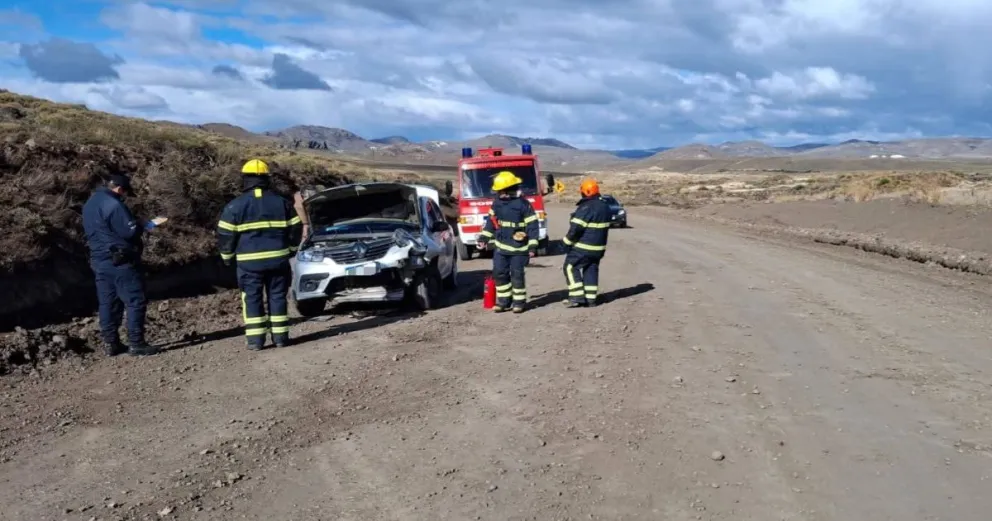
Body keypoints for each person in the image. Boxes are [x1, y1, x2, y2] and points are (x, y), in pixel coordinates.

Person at [217, 159, 303, 350]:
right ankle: (280, 338)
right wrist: (290, 250)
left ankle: (256, 341)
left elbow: (225, 235)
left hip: (249, 264)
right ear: (266, 178)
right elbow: (296, 228)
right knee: (278, 296)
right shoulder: (282, 203)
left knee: (252, 298)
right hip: (278, 260)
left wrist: (227, 256)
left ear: (245, 179)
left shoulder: (235, 206)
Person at [81, 174, 167, 356]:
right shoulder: (114, 205)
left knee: (107, 302)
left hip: (99, 259)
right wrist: (143, 225)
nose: (124, 196)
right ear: (119, 189)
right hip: (120, 260)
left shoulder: (90, 203)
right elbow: (129, 232)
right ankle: (136, 343)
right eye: (125, 192)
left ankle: (111, 343)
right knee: (135, 300)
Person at [477, 171, 539, 313]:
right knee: (499, 273)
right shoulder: (497, 203)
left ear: (507, 189)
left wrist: (533, 246)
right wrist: (484, 238)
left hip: (519, 249)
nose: (498, 193)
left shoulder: (523, 204)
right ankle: (504, 302)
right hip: (501, 248)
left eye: (499, 190)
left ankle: (519, 303)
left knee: (517, 275)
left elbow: (532, 226)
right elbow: (490, 223)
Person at [561, 178, 611, 308]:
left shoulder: (586, 207)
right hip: (599, 249)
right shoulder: (604, 206)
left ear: (585, 192)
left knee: (570, 267)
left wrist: (566, 242)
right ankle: (591, 299)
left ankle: (577, 297)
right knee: (591, 268)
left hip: (584, 247)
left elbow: (576, 228)